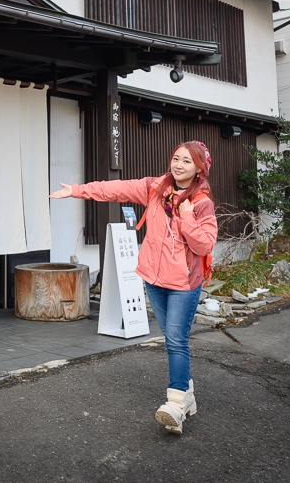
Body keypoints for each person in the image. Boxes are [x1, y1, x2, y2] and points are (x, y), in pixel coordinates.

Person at [49, 140, 218, 434]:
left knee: (176, 341)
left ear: (199, 168)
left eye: (187, 162)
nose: (178, 165)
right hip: (153, 279)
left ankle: (176, 404)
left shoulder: (202, 203)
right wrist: (77, 190)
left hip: (183, 284)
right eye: (176, 158)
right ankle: (186, 394)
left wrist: (187, 216)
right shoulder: (156, 188)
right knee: (171, 339)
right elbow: (117, 189)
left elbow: (204, 244)